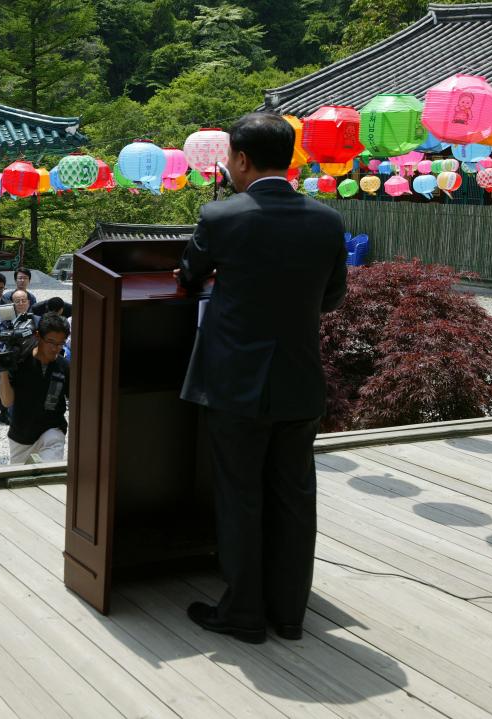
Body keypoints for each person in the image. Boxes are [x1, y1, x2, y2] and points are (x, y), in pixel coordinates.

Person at [176, 112, 347, 644]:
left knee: (241, 496)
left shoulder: (221, 217)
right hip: (300, 382)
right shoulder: (327, 222)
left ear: (242, 160)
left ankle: (244, 613)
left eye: (229, 157)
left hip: (237, 385)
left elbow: (188, 274)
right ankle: (290, 613)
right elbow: (333, 297)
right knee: (295, 497)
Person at [0, 313, 70, 464]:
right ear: (38, 336)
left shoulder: (64, 366)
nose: (55, 348)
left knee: (47, 476)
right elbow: (7, 402)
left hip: (53, 430)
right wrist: (3, 370)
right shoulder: (20, 361)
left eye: (60, 344)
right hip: (22, 434)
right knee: (18, 482)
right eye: (51, 342)